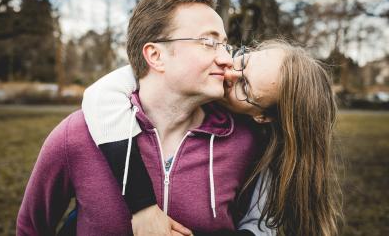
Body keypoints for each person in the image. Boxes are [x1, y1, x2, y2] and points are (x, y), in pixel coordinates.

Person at [17, 0, 264, 236]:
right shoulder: (77, 135)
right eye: (208, 42)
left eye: (224, 44)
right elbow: (31, 229)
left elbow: (258, 226)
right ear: (155, 55)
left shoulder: (243, 141)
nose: (226, 59)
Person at [82, 40, 342, 236]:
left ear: (263, 116)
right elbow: (101, 94)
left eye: (245, 87)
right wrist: (143, 208)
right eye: (243, 60)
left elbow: (258, 228)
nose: (229, 74)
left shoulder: (263, 154)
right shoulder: (193, 72)